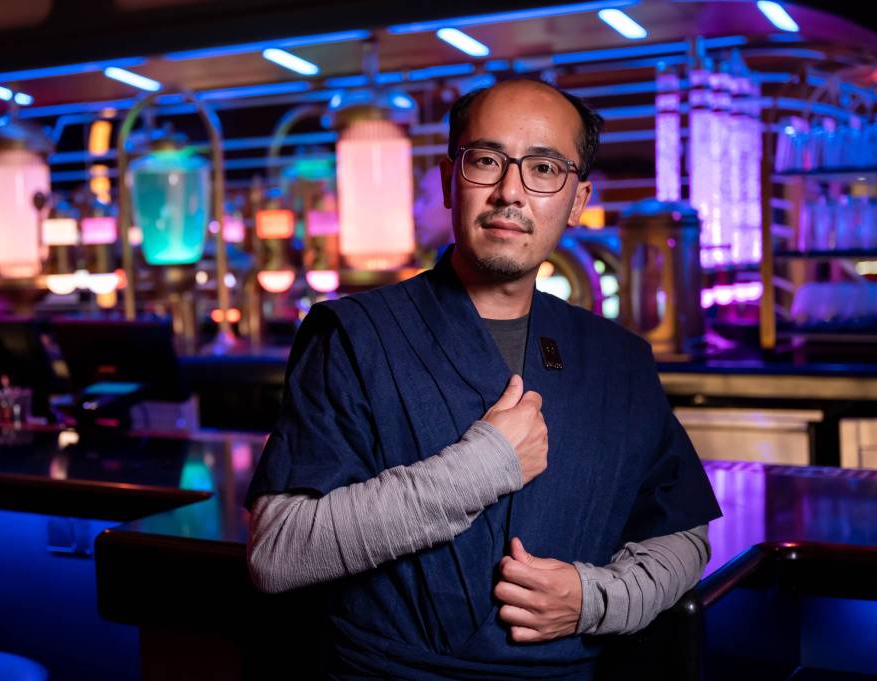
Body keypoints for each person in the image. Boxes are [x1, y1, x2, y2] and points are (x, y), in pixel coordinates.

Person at [245, 79, 722, 680]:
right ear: (450, 180)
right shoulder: (353, 334)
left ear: (577, 199)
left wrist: (597, 598)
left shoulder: (618, 358)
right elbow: (278, 551)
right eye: (487, 161)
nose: (510, 192)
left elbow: (683, 533)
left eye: (545, 167)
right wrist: (482, 466)